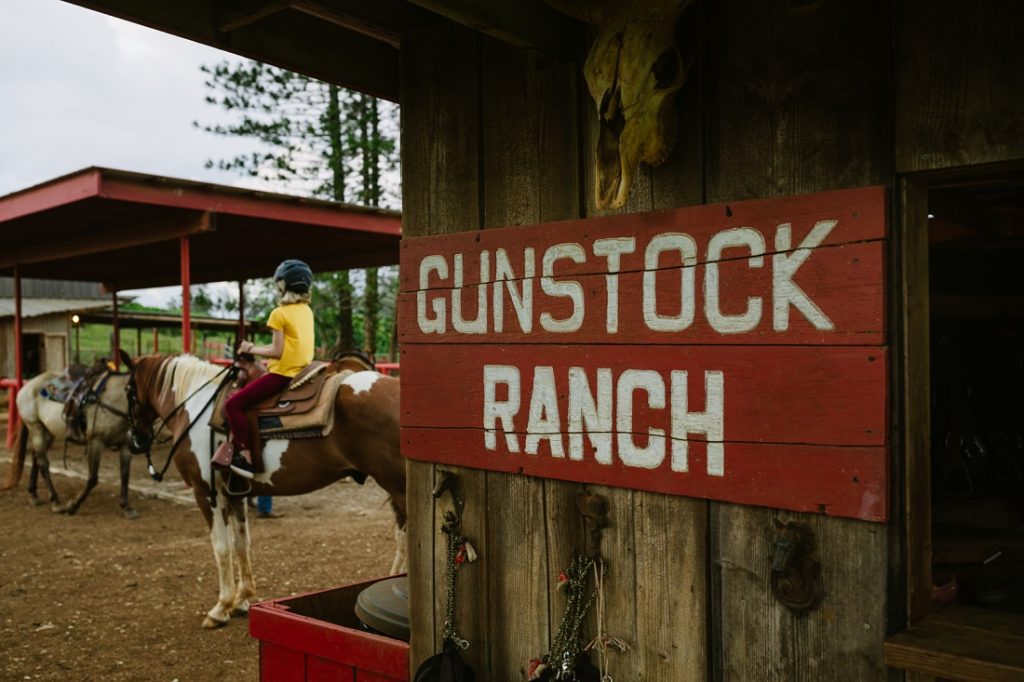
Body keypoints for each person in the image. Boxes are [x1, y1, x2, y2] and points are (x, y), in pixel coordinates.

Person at [225, 259, 315, 479]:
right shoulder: (306, 310)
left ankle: (246, 457)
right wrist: (254, 349)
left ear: (283, 286)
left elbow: (276, 351)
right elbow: (285, 347)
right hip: (304, 370)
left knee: (233, 405)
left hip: (283, 373)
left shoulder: (279, 313)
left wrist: (250, 347)